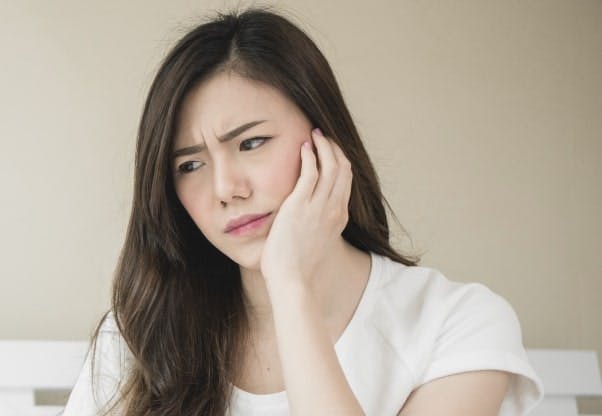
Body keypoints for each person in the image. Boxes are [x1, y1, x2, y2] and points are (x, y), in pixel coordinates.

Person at [62, 8, 543, 416]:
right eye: (190, 165)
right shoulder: (140, 334)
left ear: (325, 139)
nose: (226, 188)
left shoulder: (456, 323)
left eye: (251, 143)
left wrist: (290, 285)